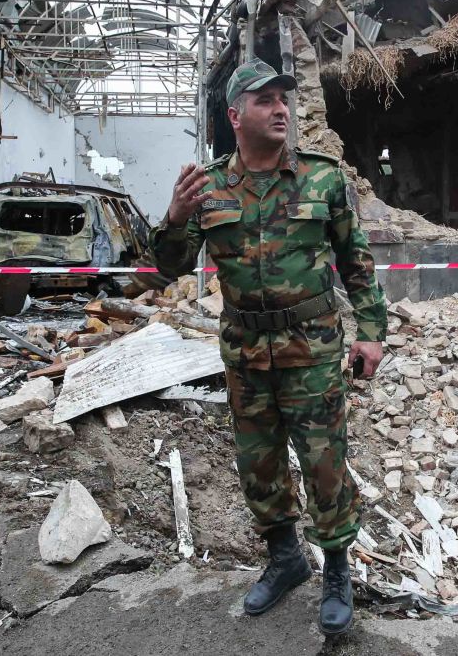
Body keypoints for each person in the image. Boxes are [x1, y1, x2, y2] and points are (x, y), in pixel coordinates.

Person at [148, 59, 388, 635]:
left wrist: (371, 332)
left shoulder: (322, 178)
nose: (281, 108)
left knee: (324, 462)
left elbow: (356, 263)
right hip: (246, 351)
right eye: (265, 100)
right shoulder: (206, 187)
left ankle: (335, 569)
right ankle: (285, 560)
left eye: (284, 98)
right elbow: (168, 269)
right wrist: (175, 219)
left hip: (312, 347)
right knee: (258, 464)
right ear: (235, 116)